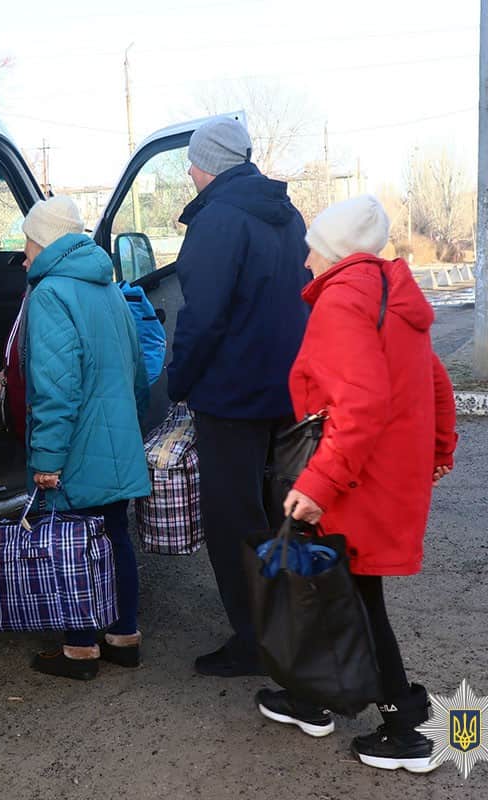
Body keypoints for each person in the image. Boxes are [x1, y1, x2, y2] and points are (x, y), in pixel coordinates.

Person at [253, 194, 457, 773]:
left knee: (357, 598)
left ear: (335, 251)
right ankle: (311, 699)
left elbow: (360, 404)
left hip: (353, 477)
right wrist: (440, 449)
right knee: (332, 586)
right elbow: (436, 382)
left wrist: (317, 484)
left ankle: (405, 727)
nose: (306, 262)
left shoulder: (342, 300)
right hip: (383, 472)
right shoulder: (390, 295)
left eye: (312, 250)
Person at [167, 116, 310, 677]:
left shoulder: (216, 221)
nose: (190, 172)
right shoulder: (288, 214)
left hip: (230, 396)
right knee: (278, 512)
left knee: (233, 522)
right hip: (287, 391)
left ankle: (254, 641)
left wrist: (179, 381)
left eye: (192, 163)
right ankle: (288, 622)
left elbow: (201, 318)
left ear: (206, 165)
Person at [19, 196, 151, 681]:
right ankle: (124, 636)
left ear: (45, 241)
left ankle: (79, 648)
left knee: (72, 544)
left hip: (76, 445)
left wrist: (47, 458)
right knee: (114, 536)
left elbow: (56, 387)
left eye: (28, 243)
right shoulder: (108, 288)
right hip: (116, 439)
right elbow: (138, 369)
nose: (24, 256)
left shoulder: (51, 294)